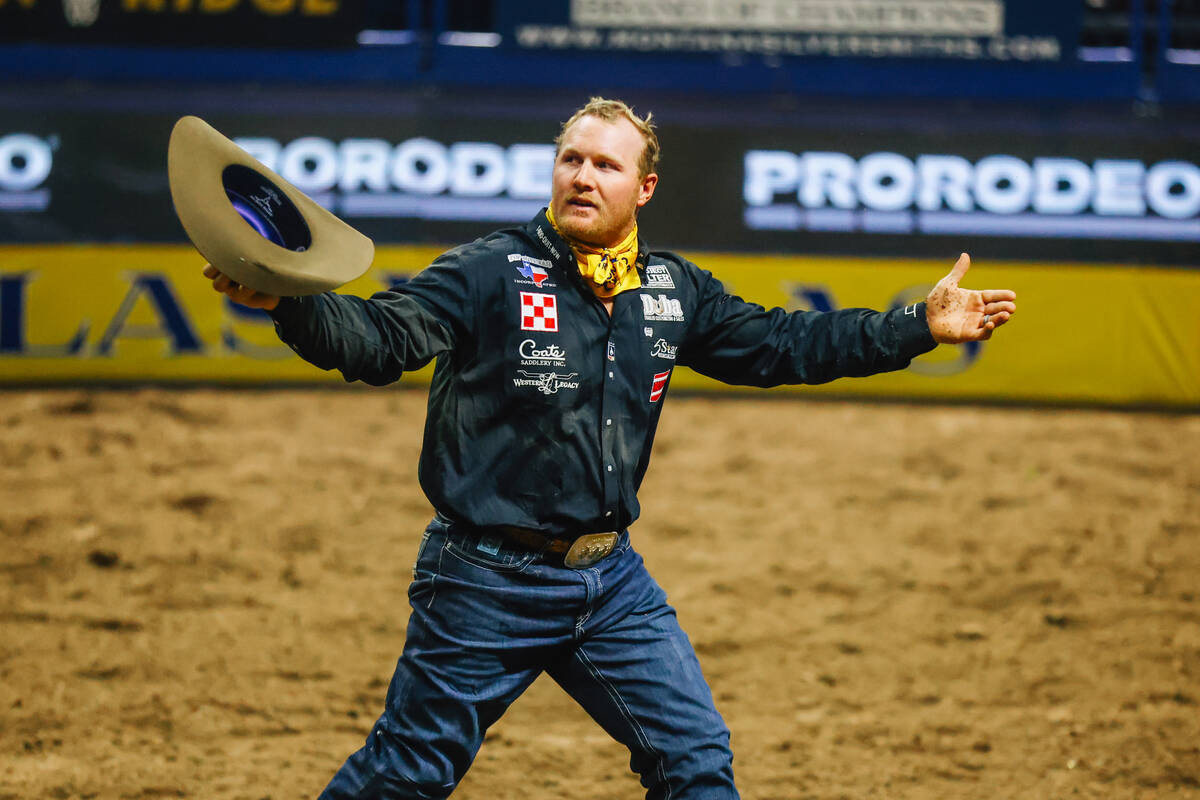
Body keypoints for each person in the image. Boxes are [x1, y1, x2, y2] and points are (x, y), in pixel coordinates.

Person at [203, 97, 1016, 799]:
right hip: (484, 577)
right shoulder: (490, 271)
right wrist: (290, 304)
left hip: (610, 579)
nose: (582, 176)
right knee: (407, 775)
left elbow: (783, 344)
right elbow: (379, 338)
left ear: (644, 187)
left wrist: (916, 325)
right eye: (570, 159)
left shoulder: (670, 288)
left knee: (697, 766)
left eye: (604, 165)